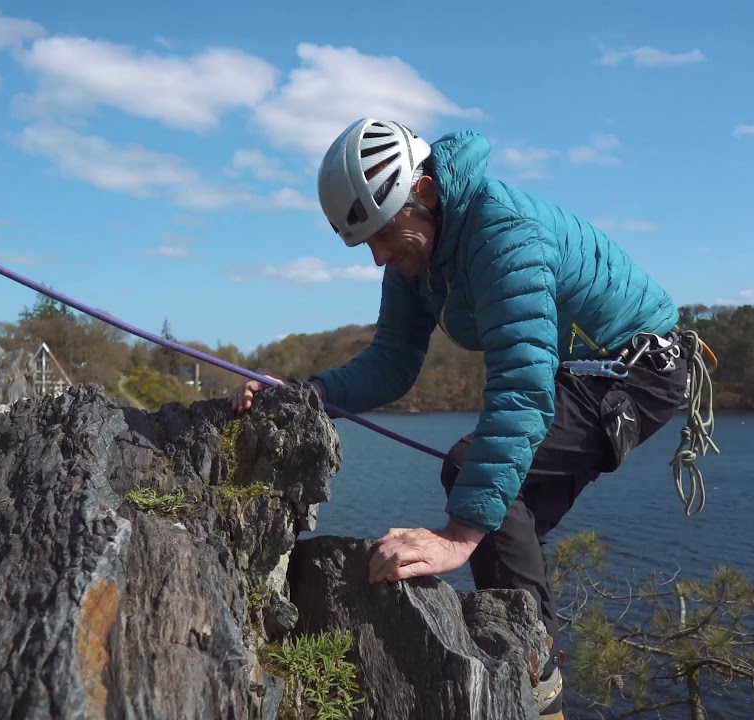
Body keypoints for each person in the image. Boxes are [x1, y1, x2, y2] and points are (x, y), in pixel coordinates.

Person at [230, 118, 711, 719]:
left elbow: (522, 385)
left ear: (425, 193)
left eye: (384, 235)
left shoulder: (506, 234)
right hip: (580, 373)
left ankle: (532, 680)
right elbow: (391, 364)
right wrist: (302, 392)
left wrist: (457, 537)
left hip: (636, 373)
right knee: (508, 513)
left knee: (472, 476)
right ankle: (538, 682)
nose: (380, 255)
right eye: (367, 244)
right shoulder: (419, 255)